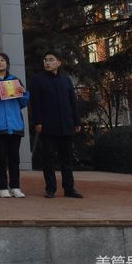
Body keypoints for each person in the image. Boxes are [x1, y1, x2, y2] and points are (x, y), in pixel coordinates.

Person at [29, 51, 83, 199]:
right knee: (48, 158)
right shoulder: (38, 80)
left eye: (51, 60)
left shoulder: (66, 79)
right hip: (47, 126)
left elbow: (72, 101)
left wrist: (76, 121)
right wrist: (37, 121)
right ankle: (50, 189)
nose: (47, 62)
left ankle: (69, 189)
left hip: (66, 124)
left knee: (67, 158)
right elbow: (35, 103)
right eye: (45, 60)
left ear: (59, 63)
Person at [0, 52, 30, 198]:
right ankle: (2, 187)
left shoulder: (15, 80)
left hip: (15, 125)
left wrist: (23, 93)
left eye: (2, 60)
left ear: (7, 64)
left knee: (14, 158)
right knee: (1, 159)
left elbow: (23, 103)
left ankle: (15, 187)